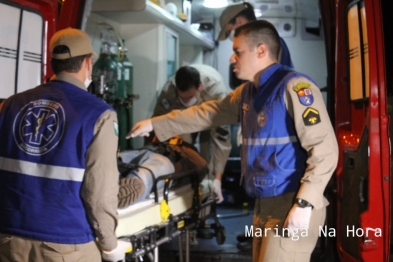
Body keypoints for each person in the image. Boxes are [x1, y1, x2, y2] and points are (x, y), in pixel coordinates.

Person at [128, 20, 338, 262]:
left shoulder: (295, 87)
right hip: (264, 205)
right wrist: (157, 123)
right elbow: (207, 113)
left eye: (237, 52)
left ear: (261, 51)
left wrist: (305, 203)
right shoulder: (248, 92)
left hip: (292, 201)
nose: (231, 59)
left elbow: (325, 150)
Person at [0, 28, 132, 262]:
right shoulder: (99, 114)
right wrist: (110, 244)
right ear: (88, 64)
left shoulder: (10, 105)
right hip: (66, 243)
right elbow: (99, 191)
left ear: (52, 63)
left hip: (9, 238)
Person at [217, 2, 294, 252]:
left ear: (239, 22)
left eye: (231, 33)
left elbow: (270, 91)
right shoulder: (267, 48)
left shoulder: (272, 50)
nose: (233, 57)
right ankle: (256, 235)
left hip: (274, 145)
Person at [151, 64, 232, 203]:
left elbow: (221, 137)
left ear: (199, 87)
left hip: (208, 111)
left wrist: (217, 179)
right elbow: (158, 125)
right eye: (182, 98)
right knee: (182, 148)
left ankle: (207, 195)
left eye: (189, 97)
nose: (186, 101)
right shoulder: (169, 91)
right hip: (182, 115)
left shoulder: (215, 91)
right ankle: (184, 192)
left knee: (207, 153)